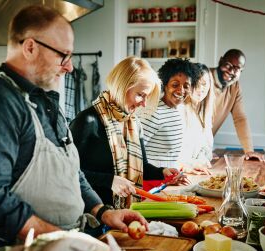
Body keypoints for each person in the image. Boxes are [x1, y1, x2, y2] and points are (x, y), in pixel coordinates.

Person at [0, 5, 147, 251]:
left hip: (65, 249)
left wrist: (102, 211)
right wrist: (59, 238)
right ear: (30, 47)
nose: (69, 67)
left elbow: (70, 171)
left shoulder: (46, 99)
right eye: (63, 55)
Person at [70, 56, 188, 209]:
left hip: (125, 212)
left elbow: (142, 167)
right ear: (122, 86)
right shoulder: (87, 121)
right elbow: (68, 172)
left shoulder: (133, 122)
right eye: (141, 95)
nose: (143, 103)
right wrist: (110, 180)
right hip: (93, 214)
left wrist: (162, 172)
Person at [209, 49, 265, 162]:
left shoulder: (235, 87)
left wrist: (249, 150)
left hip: (201, 147)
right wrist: (198, 149)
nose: (231, 71)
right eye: (228, 65)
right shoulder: (204, 78)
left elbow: (240, 118)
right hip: (182, 145)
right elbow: (191, 116)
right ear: (221, 61)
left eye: (237, 68)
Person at [140, 58, 194, 168]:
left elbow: (171, 155)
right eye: (175, 85)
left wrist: (187, 167)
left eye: (186, 86)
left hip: (169, 178)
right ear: (165, 85)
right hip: (153, 180)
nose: (181, 90)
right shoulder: (154, 113)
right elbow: (134, 152)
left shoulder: (178, 110)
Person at [179, 63, 215, 174]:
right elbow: (173, 155)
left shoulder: (204, 113)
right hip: (178, 172)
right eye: (195, 84)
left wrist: (201, 160)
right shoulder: (179, 109)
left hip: (194, 171)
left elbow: (206, 150)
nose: (200, 88)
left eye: (204, 84)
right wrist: (193, 164)